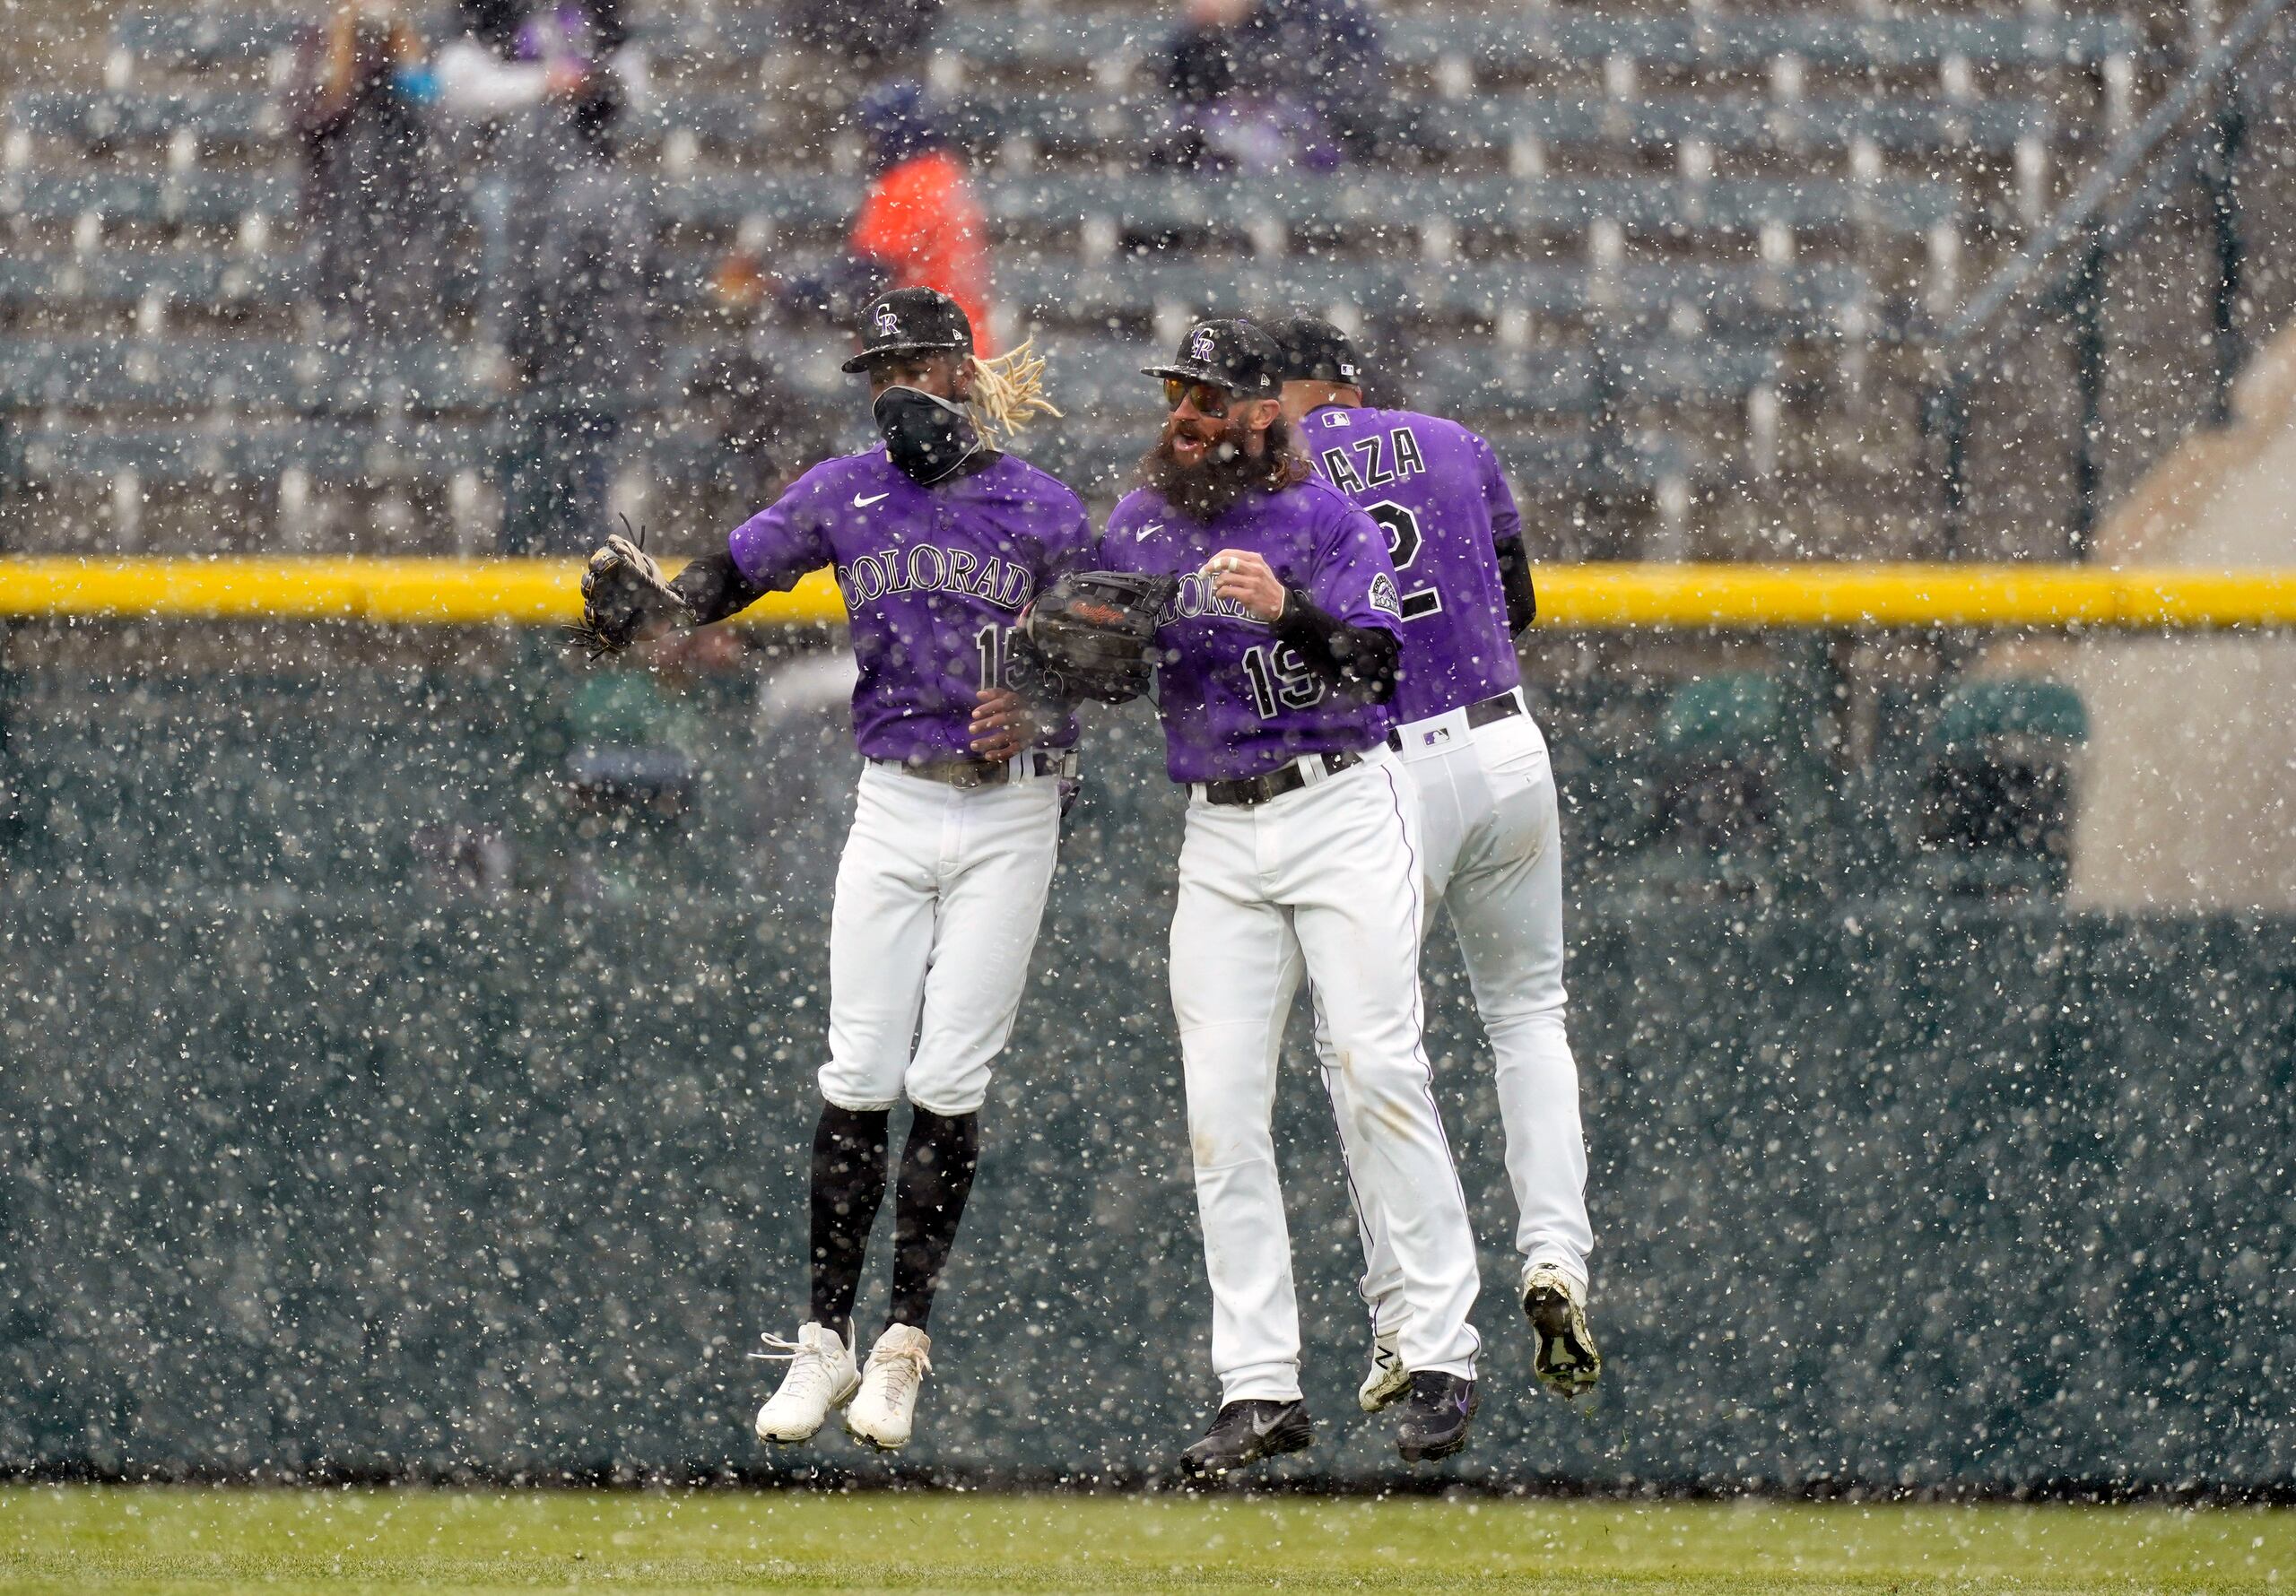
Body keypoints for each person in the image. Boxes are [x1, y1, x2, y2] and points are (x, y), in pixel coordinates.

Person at [576, 288, 1081, 1452]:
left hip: (1012, 811)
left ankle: (903, 1340)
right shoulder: (845, 488)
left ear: (961, 369)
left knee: (949, 1078)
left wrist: (1049, 696)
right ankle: (823, 1337)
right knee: (858, 1068)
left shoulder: (1040, 507)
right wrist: (661, 602)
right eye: (876, 371)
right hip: (897, 798)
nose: (892, 387)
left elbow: (1109, 653)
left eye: (911, 364)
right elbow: (735, 572)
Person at [1090, 320, 1483, 1474]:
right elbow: (1107, 672)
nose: (1183, 412)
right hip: (1218, 828)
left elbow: (1378, 664)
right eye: (1175, 388)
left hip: (1338, 801)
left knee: (1377, 1068)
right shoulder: (1143, 520)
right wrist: (1085, 643)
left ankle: (1440, 1347)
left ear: (1267, 411)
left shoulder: (1325, 522)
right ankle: (1259, 1386)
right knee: (1219, 1112)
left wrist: (1285, 609)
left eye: (1205, 392)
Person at [1263, 314, 1603, 1412]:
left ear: (1289, 391)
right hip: (1505, 742)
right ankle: (1555, 1254)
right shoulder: (1454, 440)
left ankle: (1407, 1316)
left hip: (1386, 770)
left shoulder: (1281, 468)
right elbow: (1523, 600)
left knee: (1361, 1041)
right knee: (1529, 1015)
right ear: (1356, 384)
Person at [778, 82, 996, 350]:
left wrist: (788, 287)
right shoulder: (946, 173)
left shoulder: (908, 185)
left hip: (924, 356)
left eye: (871, 133)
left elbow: (862, 281)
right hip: (965, 347)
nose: (868, 145)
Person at [282, 0, 448, 351]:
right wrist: (345, 59)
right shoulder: (319, 42)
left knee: (401, 315)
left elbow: (433, 107)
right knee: (335, 316)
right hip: (334, 205)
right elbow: (308, 119)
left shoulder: (406, 44)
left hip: (400, 208)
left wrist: (404, 50)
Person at [1157, 0, 1387, 172]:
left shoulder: (1326, 13)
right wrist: (1207, 33)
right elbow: (1182, 83)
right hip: (1229, 142)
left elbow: (1345, 91)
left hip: (1313, 142)